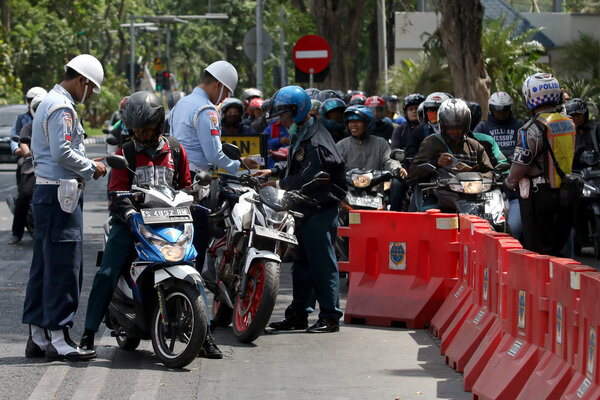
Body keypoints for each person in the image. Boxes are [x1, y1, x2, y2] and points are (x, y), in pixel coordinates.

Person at [78, 91, 197, 354]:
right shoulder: (126, 153)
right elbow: (116, 193)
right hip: (130, 223)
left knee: (191, 262)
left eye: (148, 130)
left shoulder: (175, 150)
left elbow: (186, 185)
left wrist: (194, 196)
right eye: (137, 131)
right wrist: (130, 215)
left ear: (159, 125)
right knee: (106, 273)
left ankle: (203, 332)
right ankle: (87, 333)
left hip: (169, 222)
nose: (142, 135)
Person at [22, 54, 107, 361]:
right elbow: (63, 153)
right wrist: (91, 166)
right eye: (91, 88)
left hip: (49, 193)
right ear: (82, 80)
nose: (90, 95)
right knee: (63, 267)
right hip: (61, 195)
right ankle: (59, 337)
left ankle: (38, 336)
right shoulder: (61, 107)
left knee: (43, 266)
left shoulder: (49, 101)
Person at [170, 61, 258, 354]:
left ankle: (180, 315)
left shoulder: (181, 104)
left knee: (179, 251)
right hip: (200, 186)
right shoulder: (207, 110)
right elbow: (214, 154)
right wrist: (242, 168)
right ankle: (200, 328)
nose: (223, 99)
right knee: (196, 257)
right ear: (219, 85)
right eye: (225, 92)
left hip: (177, 185)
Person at [253, 86, 347, 333]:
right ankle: (298, 314)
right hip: (304, 207)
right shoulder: (302, 132)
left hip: (319, 208)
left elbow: (312, 174)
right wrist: (273, 171)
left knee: (322, 263)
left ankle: (330, 317)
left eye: (284, 114)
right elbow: (296, 165)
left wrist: (278, 183)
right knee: (303, 263)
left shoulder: (316, 140)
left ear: (297, 110)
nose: (281, 120)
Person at [503, 73, 578, 256]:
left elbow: (520, 166)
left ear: (530, 97)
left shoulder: (531, 129)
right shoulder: (569, 123)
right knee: (559, 247)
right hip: (566, 192)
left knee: (538, 251)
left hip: (540, 197)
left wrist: (508, 184)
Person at [408, 98, 494, 210]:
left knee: (502, 221)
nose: (455, 131)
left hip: (474, 198)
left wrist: (476, 177)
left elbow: (490, 172)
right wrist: (436, 163)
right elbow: (413, 173)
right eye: (450, 128)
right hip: (440, 199)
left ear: (466, 126)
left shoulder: (475, 146)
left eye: (459, 128)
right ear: (442, 126)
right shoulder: (431, 142)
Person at [9, 94, 45, 245]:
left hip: (51, 168)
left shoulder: (53, 123)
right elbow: (22, 143)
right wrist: (27, 151)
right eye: (37, 107)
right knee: (24, 195)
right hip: (32, 166)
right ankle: (16, 233)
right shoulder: (27, 126)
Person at [404, 92, 452, 165]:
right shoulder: (418, 133)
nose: (435, 113)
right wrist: (436, 163)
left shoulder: (459, 130)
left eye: (438, 109)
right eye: (431, 110)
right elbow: (412, 161)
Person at [474, 91, 523, 160]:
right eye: (498, 111)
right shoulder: (482, 127)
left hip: (516, 163)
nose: (501, 114)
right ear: (491, 110)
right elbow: (474, 146)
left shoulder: (518, 125)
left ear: (510, 109)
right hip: (492, 165)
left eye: (505, 111)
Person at [10, 87, 48, 162]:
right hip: (28, 156)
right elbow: (16, 137)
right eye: (31, 100)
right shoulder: (24, 123)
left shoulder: (54, 120)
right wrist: (19, 150)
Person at [566, 98, 600, 171]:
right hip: (576, 172)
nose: (576, 118)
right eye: (573, 116)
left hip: (595, 170)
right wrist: (580, 158)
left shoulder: (595, 129)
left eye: (578, 115)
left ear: (585, 114)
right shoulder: (567, 133)